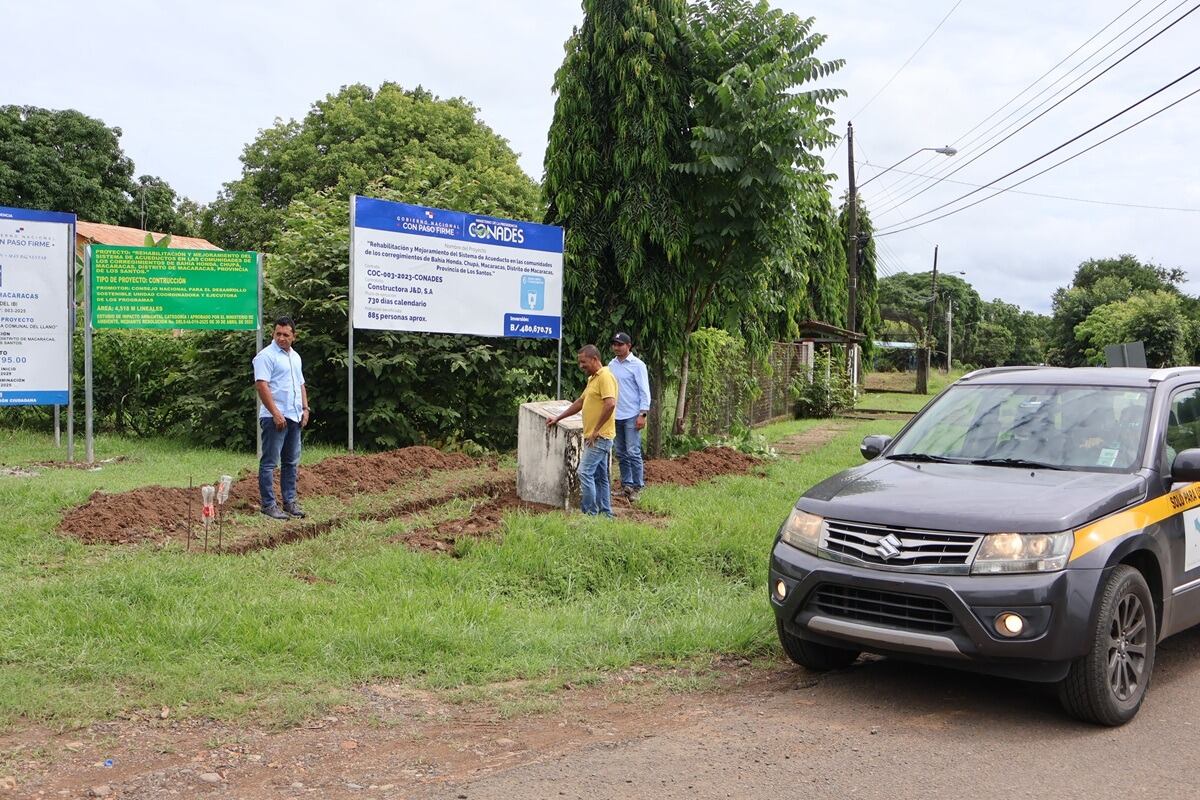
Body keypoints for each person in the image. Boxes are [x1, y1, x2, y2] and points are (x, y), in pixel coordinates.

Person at [546, 344, 618, 517]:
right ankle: (605, 514)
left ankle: (590, 513)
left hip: (599, 437)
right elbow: (580, 402)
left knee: (584, 472)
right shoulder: (593, 378)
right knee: (600, 477)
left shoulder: (605, 376)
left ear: (595, 359)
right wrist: (558, 418)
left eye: (583, 362)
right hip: (595, 436)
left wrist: (596, 430)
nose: (581, 366)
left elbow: (610, 404)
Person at [253, 316, 310, 520]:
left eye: (286, 334)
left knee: (290, 462)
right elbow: (262, 385)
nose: (281, 338)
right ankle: (268, 505)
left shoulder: (295, 357)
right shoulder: (265, 356)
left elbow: (300, 384)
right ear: (273, 334)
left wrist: (305, 408)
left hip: (294, 416)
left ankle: (290, 502)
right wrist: (276, 413)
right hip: (274, 418)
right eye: (278, 334)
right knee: (270, 462)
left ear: (294, 336)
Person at [608, 332, 651, 501]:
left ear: (629, 346)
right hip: (616, 415)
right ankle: (626, 486)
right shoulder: (611, 365)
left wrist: (643, 414)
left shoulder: (637, 365)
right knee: (621, 452)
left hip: (632, 414)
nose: (616, 347)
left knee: (633, 451)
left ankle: (638, 487)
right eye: (614, 344)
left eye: (620, 344)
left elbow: (644, 391)